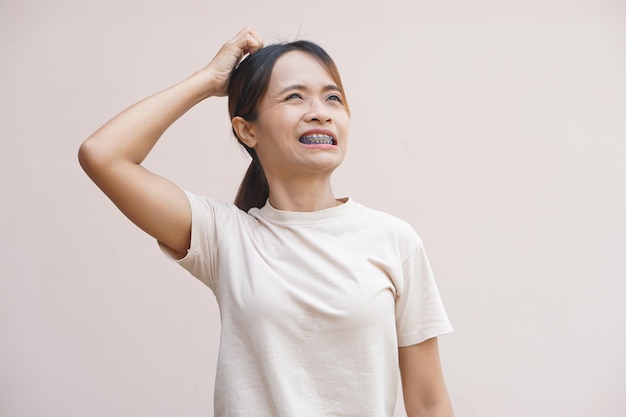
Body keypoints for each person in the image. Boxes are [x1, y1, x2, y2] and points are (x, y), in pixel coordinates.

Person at [78, 26, 454, 417]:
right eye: (295, 96)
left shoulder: (394, 240)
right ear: (247, 130)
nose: (319, 112)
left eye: (333, 98)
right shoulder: (226, 237)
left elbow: (428, 402)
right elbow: (103, 155)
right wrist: (207, 81)